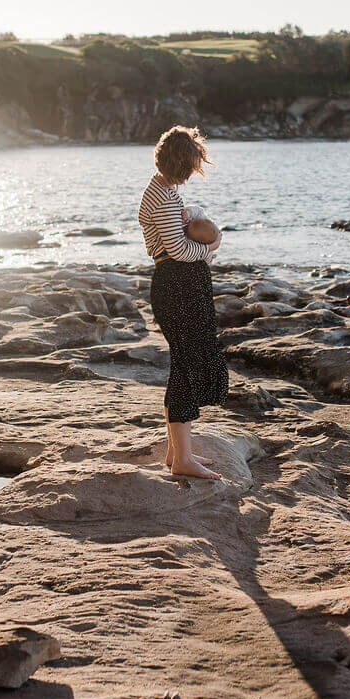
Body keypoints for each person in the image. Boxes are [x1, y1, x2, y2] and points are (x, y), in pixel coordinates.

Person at [138, 126, 229, 479]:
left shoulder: (164, 190)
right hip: (176, 286)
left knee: (184, 365)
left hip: (181, 285)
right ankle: (182, 460)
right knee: (185, 368)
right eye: (191, 166)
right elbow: (176, 250)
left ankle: (178, 452)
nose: (193, 173)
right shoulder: (161, 197)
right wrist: (209, 249)